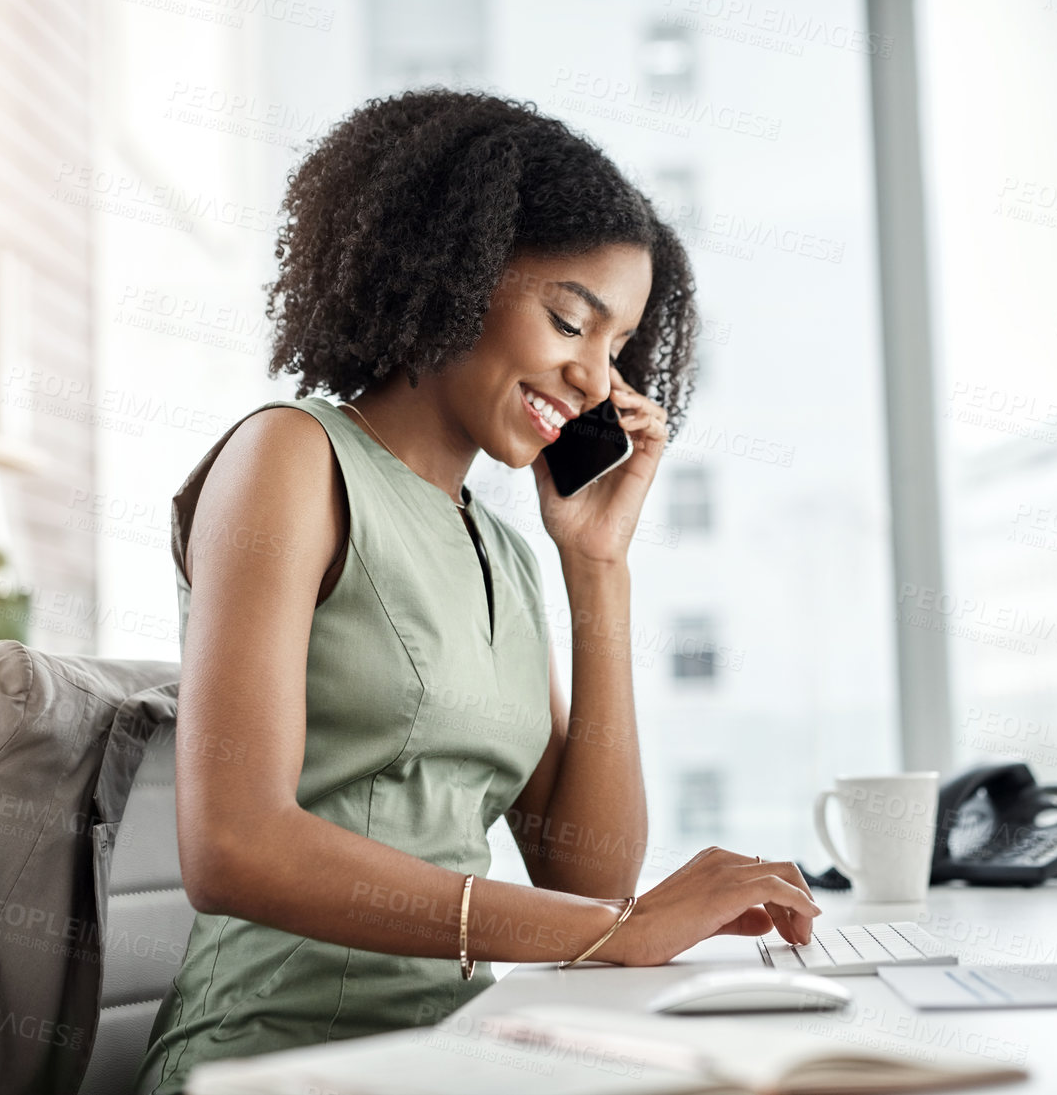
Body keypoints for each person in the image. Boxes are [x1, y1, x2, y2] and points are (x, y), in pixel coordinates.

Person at [134, 89, 819, 1094]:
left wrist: (597, 565)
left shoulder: (499, 545)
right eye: (567, 321)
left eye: (617, 351)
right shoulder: (289, 455)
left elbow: (586, 874)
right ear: (450, 272)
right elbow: (234, 845)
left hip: (455, 1048)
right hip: (277, 1055)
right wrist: (616, 933)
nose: (593, 378)